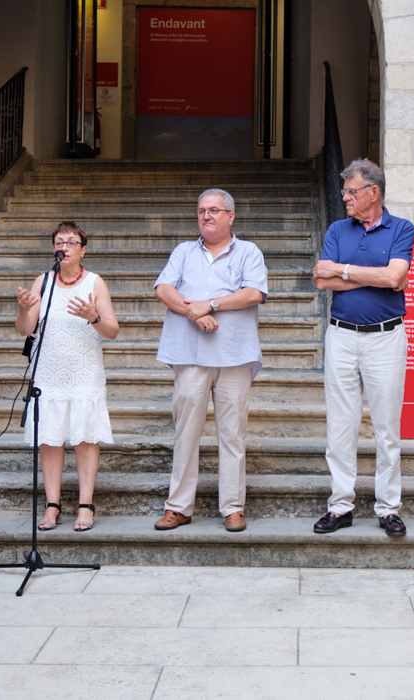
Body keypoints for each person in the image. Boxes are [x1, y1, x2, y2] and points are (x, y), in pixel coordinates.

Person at [152, 188, 268, 533]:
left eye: (214, 210)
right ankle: (178, 507)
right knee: (185, 433)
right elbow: (163, 289)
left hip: (234, 354)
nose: (206, 216)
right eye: (202, 210)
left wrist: (212, 304)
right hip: (190, 354)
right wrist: (195, 312)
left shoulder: (248, 251)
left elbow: (254, 293)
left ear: (230, 216)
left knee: (232, 435)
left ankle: (233, 507)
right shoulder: (183, 252)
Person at [311, 158, 414, 537]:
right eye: (344, 192)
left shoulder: (401, 228)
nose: (345, 198)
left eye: (351, 191)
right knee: (340, 426)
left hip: (386, 337)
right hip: (341, 335)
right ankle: (340, 506)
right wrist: (379, 277)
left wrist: (343, 270)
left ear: (374, 192)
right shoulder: (338, 229)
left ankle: (388, 509)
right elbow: (323, 280)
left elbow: (395, 276)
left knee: (386, 428)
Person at [15, 221, 119, 532]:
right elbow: (25, 329)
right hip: (48, 371)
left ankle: (86, 505)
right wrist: (22, 310)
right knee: (49, 438)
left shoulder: (95, 283)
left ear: (83, 250)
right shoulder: (43, 281)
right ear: (54, 249)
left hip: (84, 371)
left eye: (72, 242)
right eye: (60, 242)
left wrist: (94, 316)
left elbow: (112, 331)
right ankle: (52, 505)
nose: (65, 246)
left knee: (85, 437)